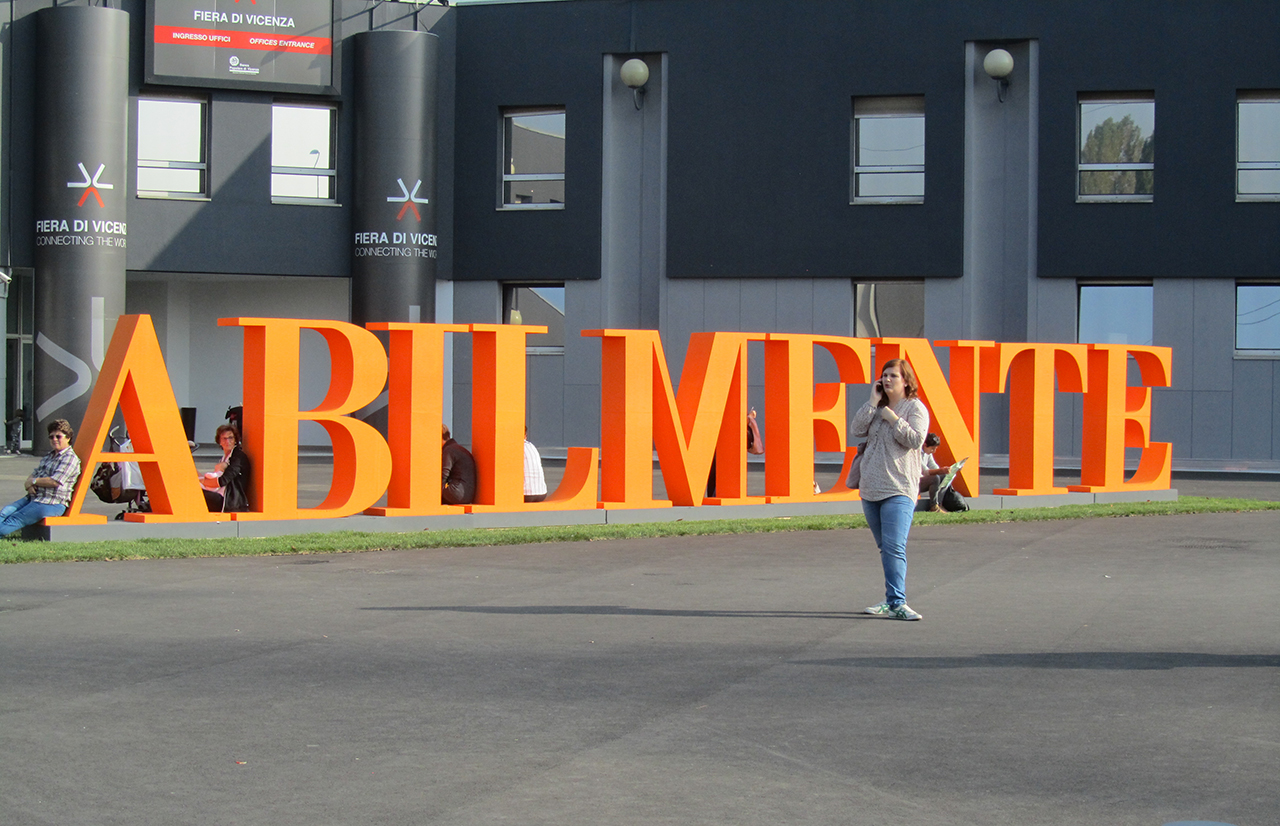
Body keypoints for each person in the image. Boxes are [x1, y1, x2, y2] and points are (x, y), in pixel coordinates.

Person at [850, 359, 929, 621]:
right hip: (871, 487)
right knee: (886, 547)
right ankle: (890, 599)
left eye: (893, 375)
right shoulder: (877, 407)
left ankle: (898, 602)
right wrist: (873, 402)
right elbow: (856, 430)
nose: (887, 380)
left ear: (906, 380)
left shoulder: (915, 408)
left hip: (899, 487)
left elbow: (916, 440)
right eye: (884, 375)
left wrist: (894, 419)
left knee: (895, 547)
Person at [0, 419, 82, 537]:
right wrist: (29, 485)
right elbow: (35, 473)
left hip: (51, 503)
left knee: (14, 519)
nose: (54, 440)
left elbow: (55, 481)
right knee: (4, 512)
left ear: (68, 437)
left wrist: (33, 482)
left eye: (58, 436)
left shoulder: (69, 458)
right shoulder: (50, 455)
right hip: (34, 498)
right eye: (51, 437)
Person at [200, 424, 250, 512]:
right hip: (218, 495)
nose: (228, 441)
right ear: (219, 441)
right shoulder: (223, 458)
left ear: (235, 440)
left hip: (228, 502)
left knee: (195, 492)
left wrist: (202, 482)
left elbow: (222, 481)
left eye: (230, 438)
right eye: (224, 438)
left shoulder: (238, 457)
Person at [442, 423, 477, 505]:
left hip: (455, 494)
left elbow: (443, 475)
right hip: (466, 496)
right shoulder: (457, 448)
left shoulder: (449, 450)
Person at [523, 426, 547, 503]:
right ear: (525, 435)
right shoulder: (531, 446)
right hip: (542, 492)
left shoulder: (514, 447)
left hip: (525, 494)